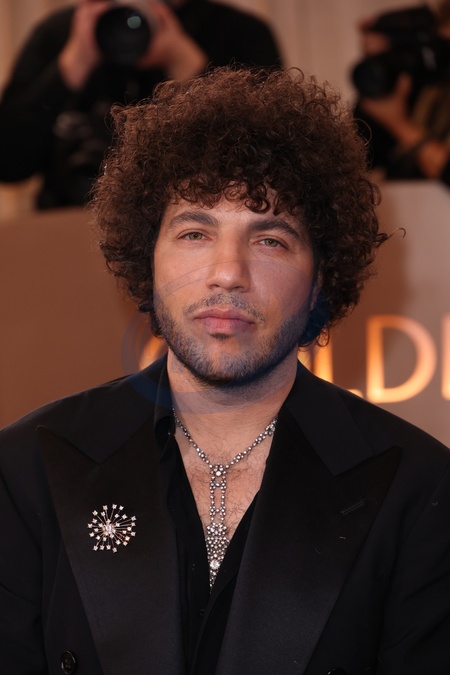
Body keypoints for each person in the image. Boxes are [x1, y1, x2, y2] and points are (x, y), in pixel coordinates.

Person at [1, 66, 450, 675]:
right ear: (148, 257)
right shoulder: (26, 468)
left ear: (320, 278)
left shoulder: (420, 490)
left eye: (270, 240)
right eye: (195, 232)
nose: (227, 273)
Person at [0, 0, 281, 209]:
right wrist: (74, 63)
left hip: (200, 230)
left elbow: (270, 163)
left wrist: (186, 63)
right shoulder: (60, 34)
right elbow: (9, 164)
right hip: (65, 234)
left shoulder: (241, 33)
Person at [353, 1, 450, 186]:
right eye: (443, 48)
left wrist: (400, 125)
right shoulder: (425, 85)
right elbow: (362, 157)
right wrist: (381, 70)